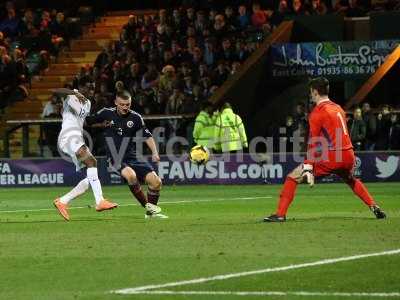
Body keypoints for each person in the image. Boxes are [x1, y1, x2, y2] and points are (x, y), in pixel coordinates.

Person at [263, 77, 386, 222]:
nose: (310, 95)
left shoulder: (317, 112)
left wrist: (308, 167)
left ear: (315, 92)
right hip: (349, 154)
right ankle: (374, 206)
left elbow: (313, 143)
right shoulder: (339, 108)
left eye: (311, 92)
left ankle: (280, 214)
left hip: (333, 157)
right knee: (351, 180)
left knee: (292, 177)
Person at [87, 91, 167, 219]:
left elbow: (147, 136)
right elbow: (88, 122)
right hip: (115, 156)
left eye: (128, 104)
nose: (125, 107)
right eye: (122, 104)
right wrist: (101, 125)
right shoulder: (106, 112)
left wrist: (155, 152)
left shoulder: (136, 117)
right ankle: (149, 207)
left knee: (156, 182)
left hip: (132, 155)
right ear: (116, 103)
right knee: (130, 175)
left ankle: (150, 214)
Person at [53, 86, 118, 221]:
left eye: (92, 88)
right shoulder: (70, 97)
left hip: (78, 137)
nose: (90, 90)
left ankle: (63, 201)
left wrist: (102, 124)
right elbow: (56, 91)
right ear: (80, 87)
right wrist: (73, 93)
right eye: (87, 87)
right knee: (92, 161)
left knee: (89, 179)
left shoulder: (87, 103)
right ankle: (99, 201)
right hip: (69, 135)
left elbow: (85, 121)